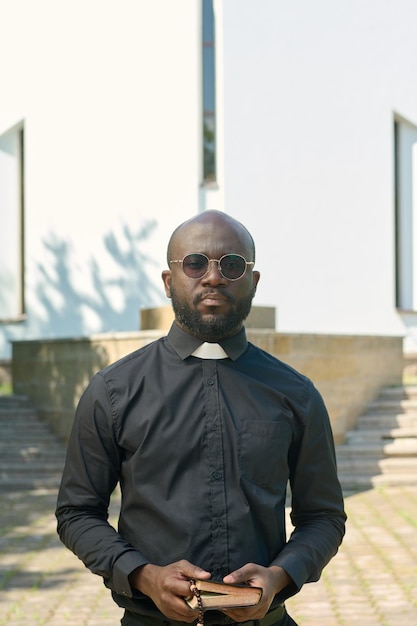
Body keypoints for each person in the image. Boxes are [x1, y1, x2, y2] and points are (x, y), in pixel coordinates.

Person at [56, 210, 346, 626]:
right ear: (169, 281)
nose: (213, 277)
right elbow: (77, 513)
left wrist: (279, 576)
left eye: (232, 265)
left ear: (253, 281)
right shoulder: (114, 391)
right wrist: (143, 575)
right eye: (195, 263)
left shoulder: (295, 393)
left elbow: (324, 516)